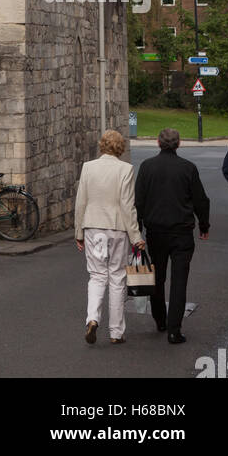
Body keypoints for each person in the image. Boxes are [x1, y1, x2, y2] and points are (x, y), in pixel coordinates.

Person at [136, 128, 210, 344]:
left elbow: (139, 201)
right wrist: (204, 225)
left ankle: (160, 319)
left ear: (158, 143)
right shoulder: (188, 168)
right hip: (182, 232)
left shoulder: (147, 167)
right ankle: (174, 330)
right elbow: (200, 200)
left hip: (155, 232)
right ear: (178, 144)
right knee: (179, 281)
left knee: (157, 278)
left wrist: (137, 230)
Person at [74, 129, 144, 346]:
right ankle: (116, 332)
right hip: (116, 228)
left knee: (96, 276)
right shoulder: (125, 169)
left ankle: (92, 318)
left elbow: (81, 202)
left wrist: (78, 232)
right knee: (116, 277)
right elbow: (127, 205)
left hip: (93, 227)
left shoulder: (88, 167)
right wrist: (136, 236)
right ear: (120, 148)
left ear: (102, 145)